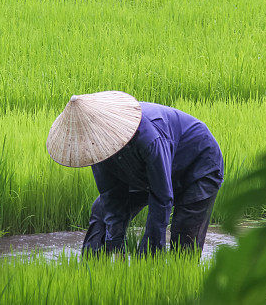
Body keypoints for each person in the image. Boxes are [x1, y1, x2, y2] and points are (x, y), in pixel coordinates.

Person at [46, 91, 223, 257]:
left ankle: (183, 280)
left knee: (184, 234)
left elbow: (161, 197)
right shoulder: (96, 146)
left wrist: (148, 253)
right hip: (144, 174)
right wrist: (115, 244)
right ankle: (93, 270)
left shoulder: (147, 136)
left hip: (198, 166)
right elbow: (110, 195)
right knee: (101, 212)